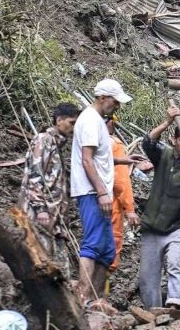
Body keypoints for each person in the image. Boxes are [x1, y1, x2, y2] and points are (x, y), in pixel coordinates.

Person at [70, 79, 132, 305]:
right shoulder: (89, 120)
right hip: (91, 191)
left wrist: (121, 160)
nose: (116, 107)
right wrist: (102, 192)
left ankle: (97, 301)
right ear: (103, 97)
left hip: (98, 191)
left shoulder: (96, 120)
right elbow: (87, 160)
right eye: (115, 102)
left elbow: (98, 158)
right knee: (93, 242)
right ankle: (83, 296)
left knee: (107, 249)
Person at [137, 106, 180, 308]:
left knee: (174, 262)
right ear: (174, 140)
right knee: (148, 277)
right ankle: (153, 313)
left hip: (177, 227)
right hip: (152, 226)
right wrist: (167, 122)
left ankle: (174, 304)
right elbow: (148, 142)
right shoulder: (163, 155)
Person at [18, 103, 80, 275]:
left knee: (60, 270)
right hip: (41, 217)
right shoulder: (44, 140)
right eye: (72, 123)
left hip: (55, 221)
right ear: (59, 120)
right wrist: (40, 210)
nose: (73, 129)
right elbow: (35, 175)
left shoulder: (57, 146)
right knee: (41, 265)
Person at [106, 116, 138, 272]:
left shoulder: (88, 144)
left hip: (91, 204)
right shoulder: (114, 145)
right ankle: (101, 292)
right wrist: (130, 209)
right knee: (110, 252)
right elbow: (121, 181)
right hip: (111, 205)